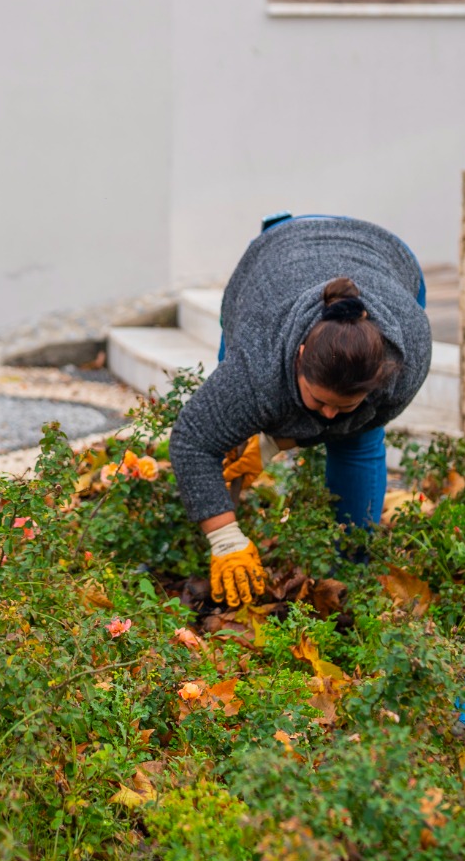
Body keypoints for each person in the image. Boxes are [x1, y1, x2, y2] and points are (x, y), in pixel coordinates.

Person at [169, 215, 434, 608]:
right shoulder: (254, 362)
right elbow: (191, 441)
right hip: (273, 261)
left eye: (343, 404)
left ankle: (351, 575)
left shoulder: (406, 358)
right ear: (301, 356)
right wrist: (224, 537)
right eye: (319, 399)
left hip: (386, 258)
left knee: (356, 441)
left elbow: (350, 421)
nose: (328, 415)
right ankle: (221, 540)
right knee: (227, 434)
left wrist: (274, 442)